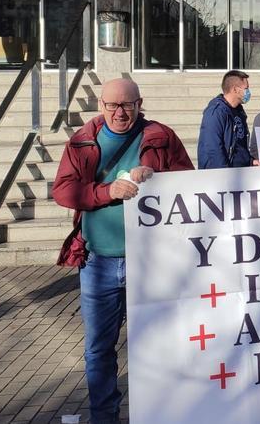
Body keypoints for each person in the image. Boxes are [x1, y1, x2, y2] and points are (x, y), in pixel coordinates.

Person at [53, 78, 193, 423]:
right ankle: (105, 416)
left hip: (151, 262)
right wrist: (107, 193)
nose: (119, 112)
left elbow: (189, 181)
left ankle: (163, 413)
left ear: (139, 104)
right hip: (99, 261)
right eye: (112, 105)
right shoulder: (82, 140)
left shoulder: (160, 136)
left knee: (160, 344)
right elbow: (64, 191)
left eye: (127, 105)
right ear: (101, 105)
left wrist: (156, 175)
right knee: (99, 349)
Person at [197, 69, 254, 169]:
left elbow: (240, 144)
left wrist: (250, 161)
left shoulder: (239, 111)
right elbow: (213, 148)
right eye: (246, 88)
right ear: (235, 89)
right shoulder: (216, 112)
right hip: (222, 174)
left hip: (241, 172)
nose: (248, 92)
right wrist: (224, 173)